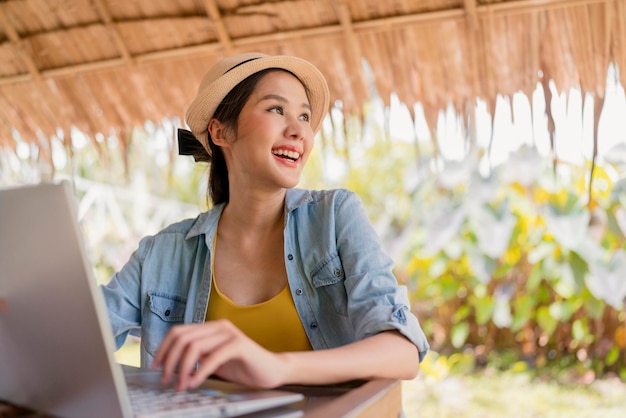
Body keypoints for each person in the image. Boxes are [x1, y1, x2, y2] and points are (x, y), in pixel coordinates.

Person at [101, 52, 429, 392]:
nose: (298, 129)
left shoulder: (334, 216)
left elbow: (402, 351)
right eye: (276, 109)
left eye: (304, 115)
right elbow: (75, 336)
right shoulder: (163, 253)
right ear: (221, 132)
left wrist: (279, 366)